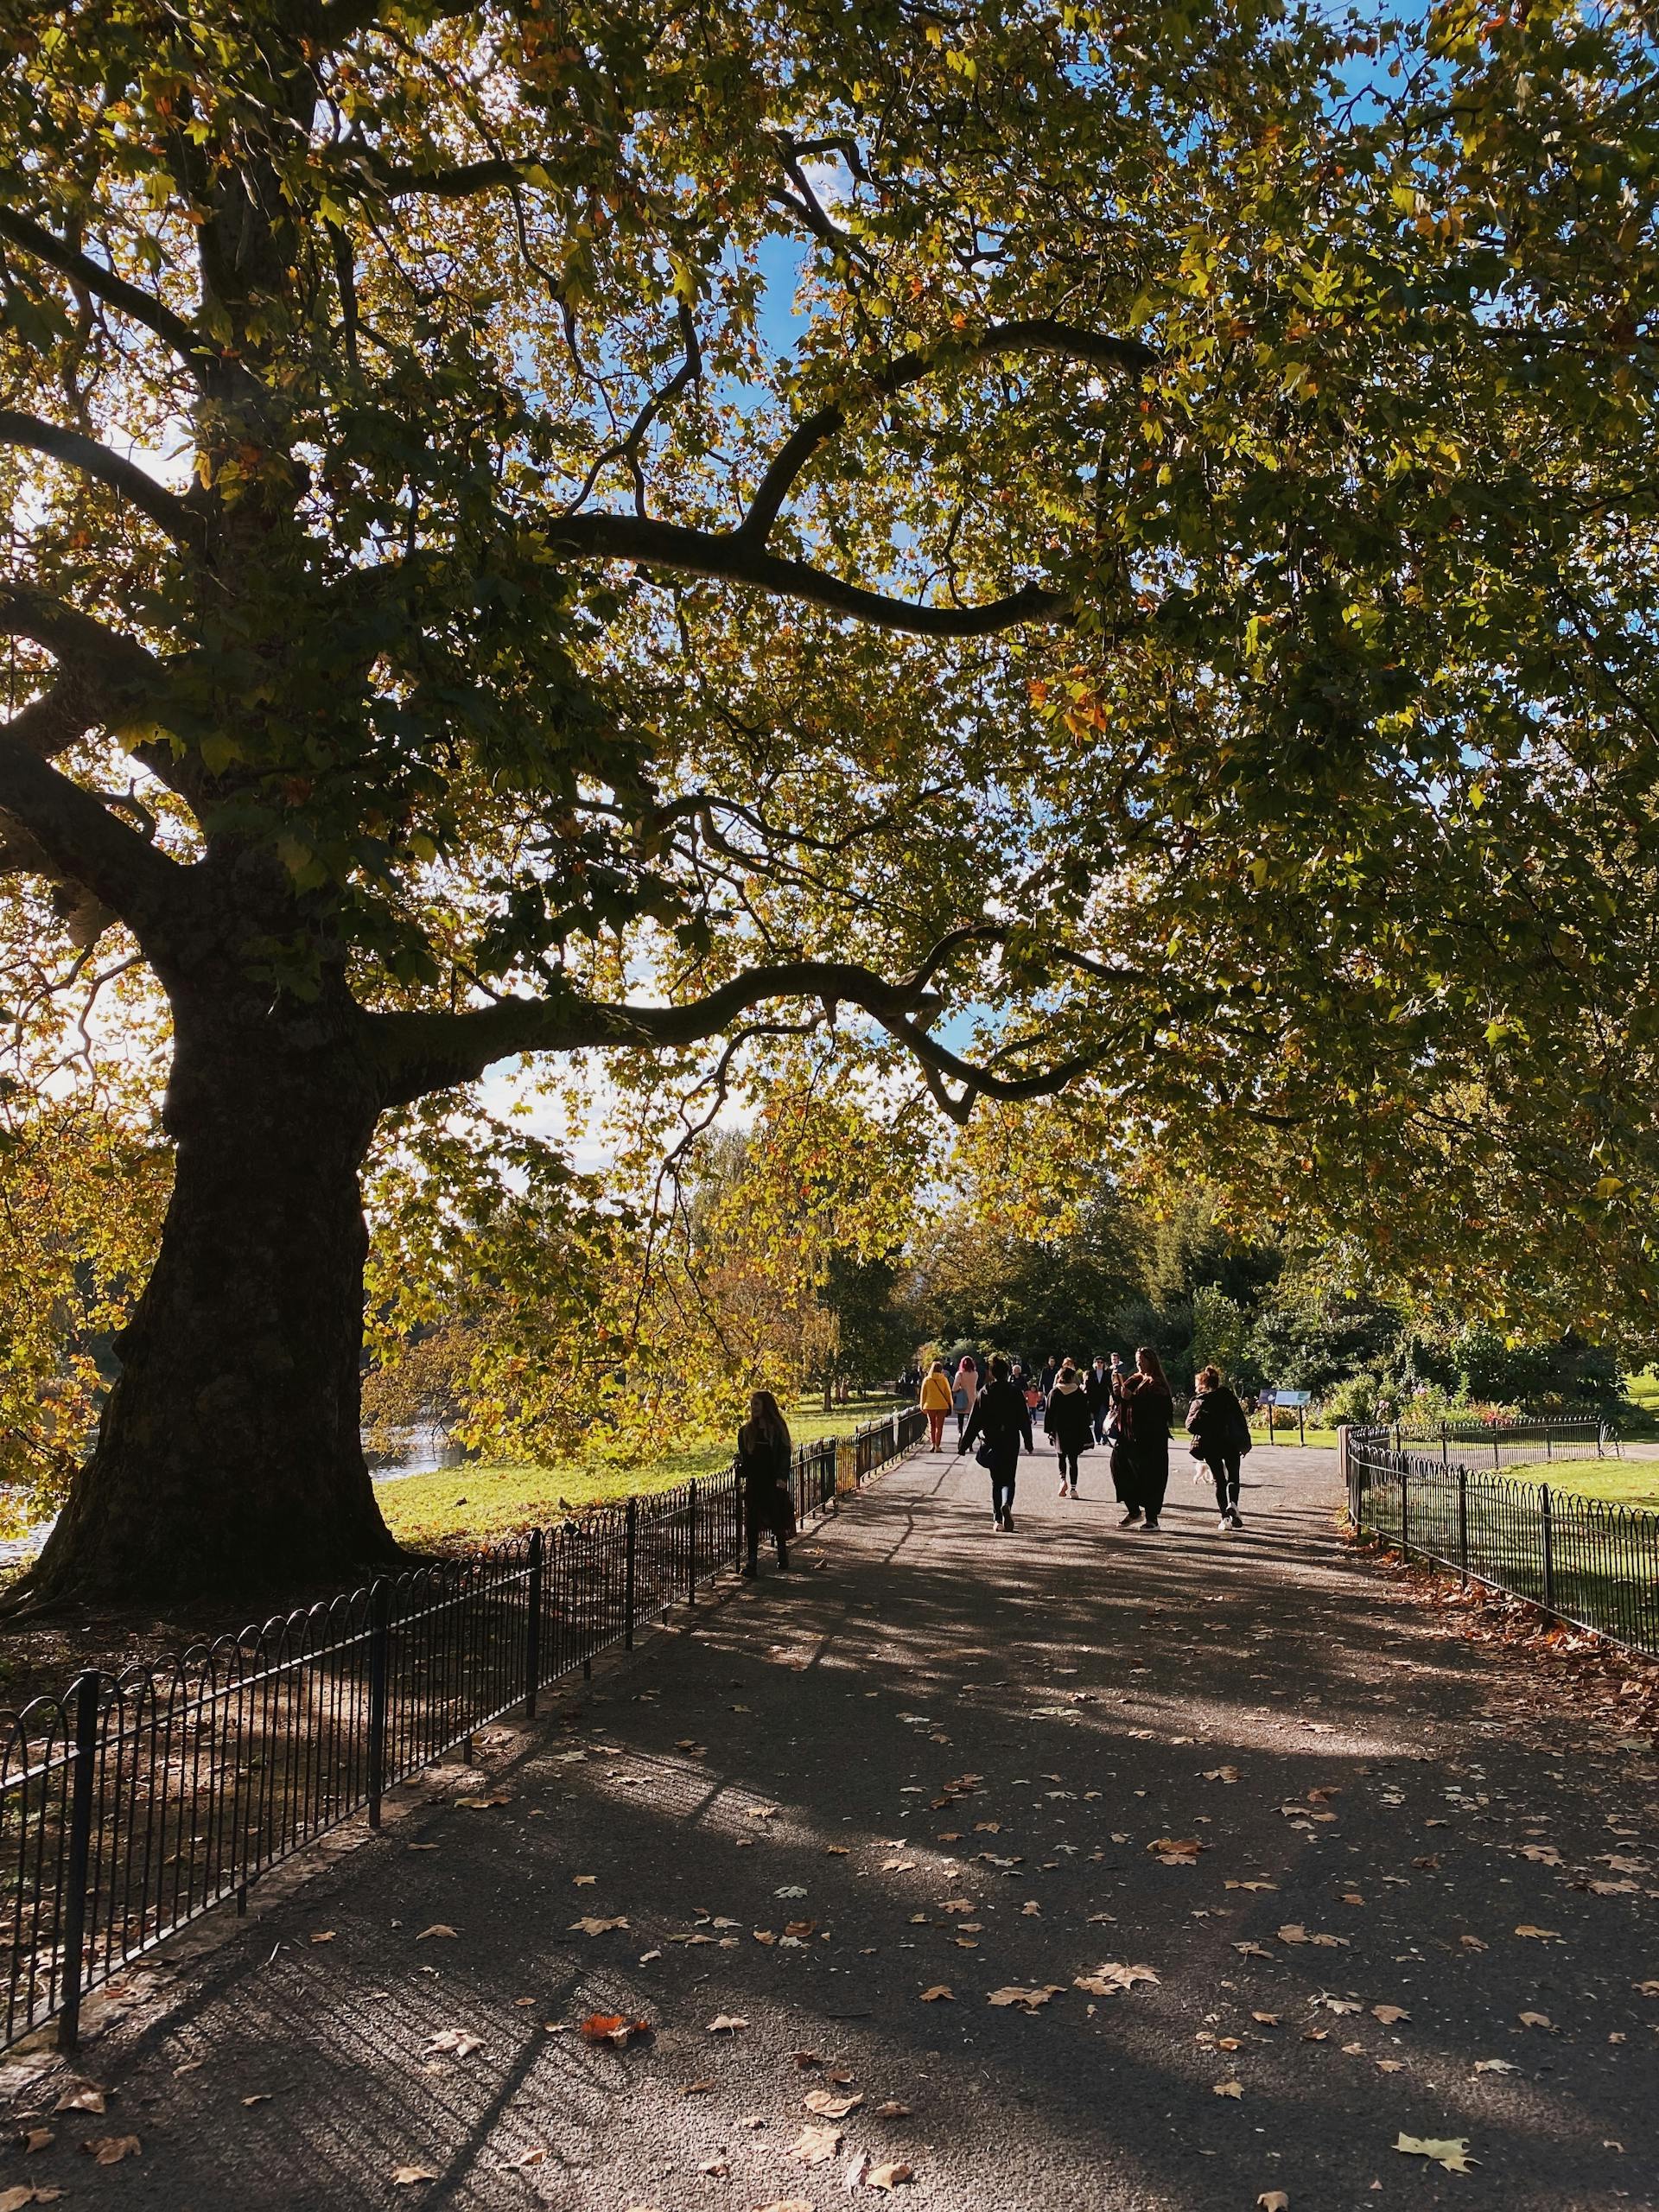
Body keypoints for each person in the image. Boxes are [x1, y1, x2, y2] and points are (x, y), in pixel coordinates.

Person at [957, 1352, 1033, 1531]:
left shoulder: (985, 1392)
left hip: (991, 1441)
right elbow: (1024, 1420)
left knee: (996, 1481)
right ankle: (1007, 1504)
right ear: (1007, 1373)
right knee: (1009, 1479)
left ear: (992, 1373)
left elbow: (974, 1421)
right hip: (1010, 1440)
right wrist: (1028, 1442)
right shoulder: (1015, 1392)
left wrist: (964, 1444)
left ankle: (997, 1519)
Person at [1186, 1363, 1253, 1531]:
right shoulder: (1228, 1397)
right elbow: (1239, 1420)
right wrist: (1244, 1442)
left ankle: (1224, 1518)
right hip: (1230, 1442)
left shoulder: (1200, 1401)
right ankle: (1233, 1505)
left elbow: (1190, 1426)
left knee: (1219, 1481)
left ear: (1202, 1384)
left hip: (1210, 1445)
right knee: (1233, 1477)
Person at [737, 1389, 795, 1576]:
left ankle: (782, 1553)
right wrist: (740, 1467)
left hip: (772, 1482)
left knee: (776, 1519)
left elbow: (784, 1455)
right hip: (755, 1482)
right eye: (752, 1405)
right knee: (752, 1522)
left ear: (766, 1406)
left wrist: (781, 1478)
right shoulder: (746, 1432)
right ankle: (752, 1562)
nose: (753, 1408)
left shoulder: (777, 1430)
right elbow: (746, 1458)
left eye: (757, 1404)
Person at [1118, 1345, 1174, 1531]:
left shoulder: (1157, 1384)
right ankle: (1133, 1510)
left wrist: (1132, 1398)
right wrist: (1117, 1391)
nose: (1139, 1365)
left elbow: (1160, 1410)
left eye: (1142, 1361)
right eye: (1137, 1362)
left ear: (1151, 1361)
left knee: (1151, 1477)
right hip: (1128, 1435)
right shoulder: (1135, 1379)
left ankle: (1152, 1518)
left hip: (1151, 1438)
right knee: (1119, 1467)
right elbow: (1122, 1401)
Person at [1045, 1358, 1094, 1496]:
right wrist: (1086, 1428)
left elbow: (1049, 1413)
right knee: (1073, 1459)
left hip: (1059, 1429)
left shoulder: (1054, 1393)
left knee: (1061, 1456)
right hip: (1075, 1429)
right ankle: (1073, 1488)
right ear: (1072, 1378)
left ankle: (1062, 1479)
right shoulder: (1078, 1393)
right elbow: (1085, 1413)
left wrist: (1049, 1430)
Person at [918, 1358, 955, 1452]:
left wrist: (922, 1406)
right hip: (942, 1406)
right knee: (939, 1427)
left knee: (932, 1425)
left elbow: (923, 1394)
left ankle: (933, 1444)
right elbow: (948, 1393)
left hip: (930, 1405)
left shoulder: (927, 1380)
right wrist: (951, 1404)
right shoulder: (944, 1379)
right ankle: (938, 1446)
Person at [1086, 1355, 1113, 1445]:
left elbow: (1110, 1387)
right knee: (1097, 1420)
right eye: (1098, 1362)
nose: (1100, 1364)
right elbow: (1088, 1387)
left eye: (1101, 1362)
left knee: (1104, 1419)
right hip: (1094, 1400)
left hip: (1104, 1400)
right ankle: (1097, 1438)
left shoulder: (1108, 1374)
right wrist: (1088, 1400)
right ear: (1095, 1363)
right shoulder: (1091, 1374)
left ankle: (1104, 1438)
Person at [952, 1353, 979, 1440]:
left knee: (960, 1421)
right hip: (972, 1399)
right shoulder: (975, 1374)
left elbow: (954, 1388)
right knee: (970, 1421)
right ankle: (969, 1441)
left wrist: (960, 1388)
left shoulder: (960, 1374)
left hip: (961, 1400)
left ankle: (960, 1434)